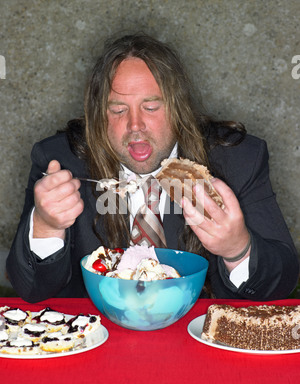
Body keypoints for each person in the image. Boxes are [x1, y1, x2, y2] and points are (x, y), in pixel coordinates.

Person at [6, 33, 299, 302]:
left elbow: (283, 281)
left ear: (178, 108)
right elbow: (32, 289)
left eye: (151, 107)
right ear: (98, 114)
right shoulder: (60, 162)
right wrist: (46, 227)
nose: (135, 125)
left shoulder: (238, 159)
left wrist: (239, 249)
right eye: (118, 110)